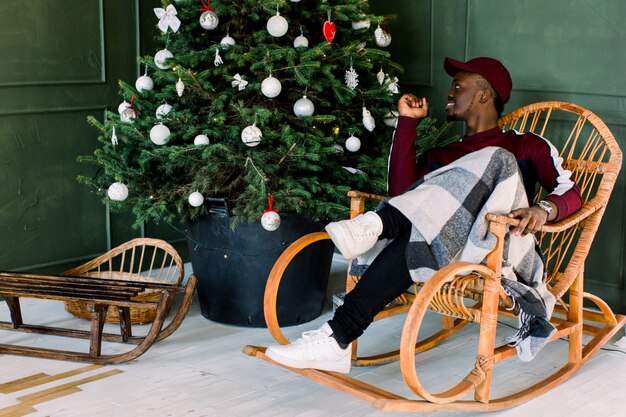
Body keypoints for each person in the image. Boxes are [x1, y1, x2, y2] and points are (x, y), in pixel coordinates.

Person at [265, 57, 582, 374]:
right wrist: (407, 123)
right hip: (448, 249)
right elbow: (403, 195)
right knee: (417, 232)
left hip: (501, 251)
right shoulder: (443, 155)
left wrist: (544, 209)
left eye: (458, 86)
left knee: (495, 159)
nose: (449, 92)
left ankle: (374, 225)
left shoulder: (523, 145)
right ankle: (336, 338)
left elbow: (571, 190)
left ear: (485, 94)